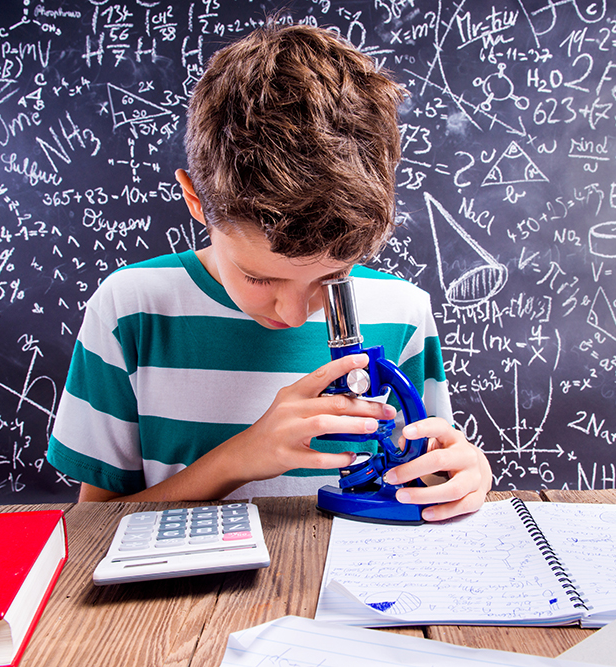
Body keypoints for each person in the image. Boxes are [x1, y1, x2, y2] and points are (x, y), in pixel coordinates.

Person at [47, 20, 492, 521]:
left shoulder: (404, 310)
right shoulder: (131, 310)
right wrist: (243, 457)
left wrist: (461, 478)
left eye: (332, 278)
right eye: (261, 278)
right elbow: (90, 527)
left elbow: (427, 469)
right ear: (197, 200)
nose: (297, 314)